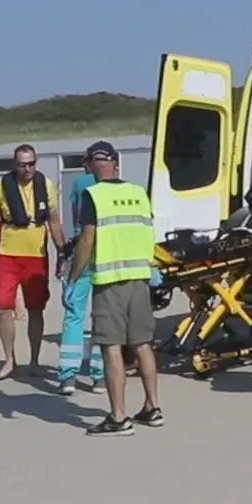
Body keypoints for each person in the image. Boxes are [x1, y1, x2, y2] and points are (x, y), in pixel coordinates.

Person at [68, 141, 165, 436]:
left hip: (110, 282)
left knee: (111, 347)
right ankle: (152, 407)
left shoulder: (93, 195)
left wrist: (73, 279)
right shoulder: (138, 193)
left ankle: (119, 417)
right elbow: (148, 230)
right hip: (140, 279)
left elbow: (86, 241)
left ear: (88, 164)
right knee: (142, 344)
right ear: (116, 163)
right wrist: (152, 266)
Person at [0, 145, 63, 380]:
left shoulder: (46, 186)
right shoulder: (0, 187)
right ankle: (9, 360)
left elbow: (54, 221)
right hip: (7, 254)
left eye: (32, 163)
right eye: (23, 164)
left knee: (36, 308)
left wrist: (62, 253)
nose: (28, 169)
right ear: (15, 165)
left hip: (36, 254)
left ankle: (34, 360)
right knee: (3, 306)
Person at [53, 166, 105, 396]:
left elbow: (78, 219)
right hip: (106, 254)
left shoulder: (80, 184)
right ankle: (100, 377)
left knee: (74, 315)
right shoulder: (121, 188)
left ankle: (68, 377)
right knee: (102, 316)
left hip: (82, 254)